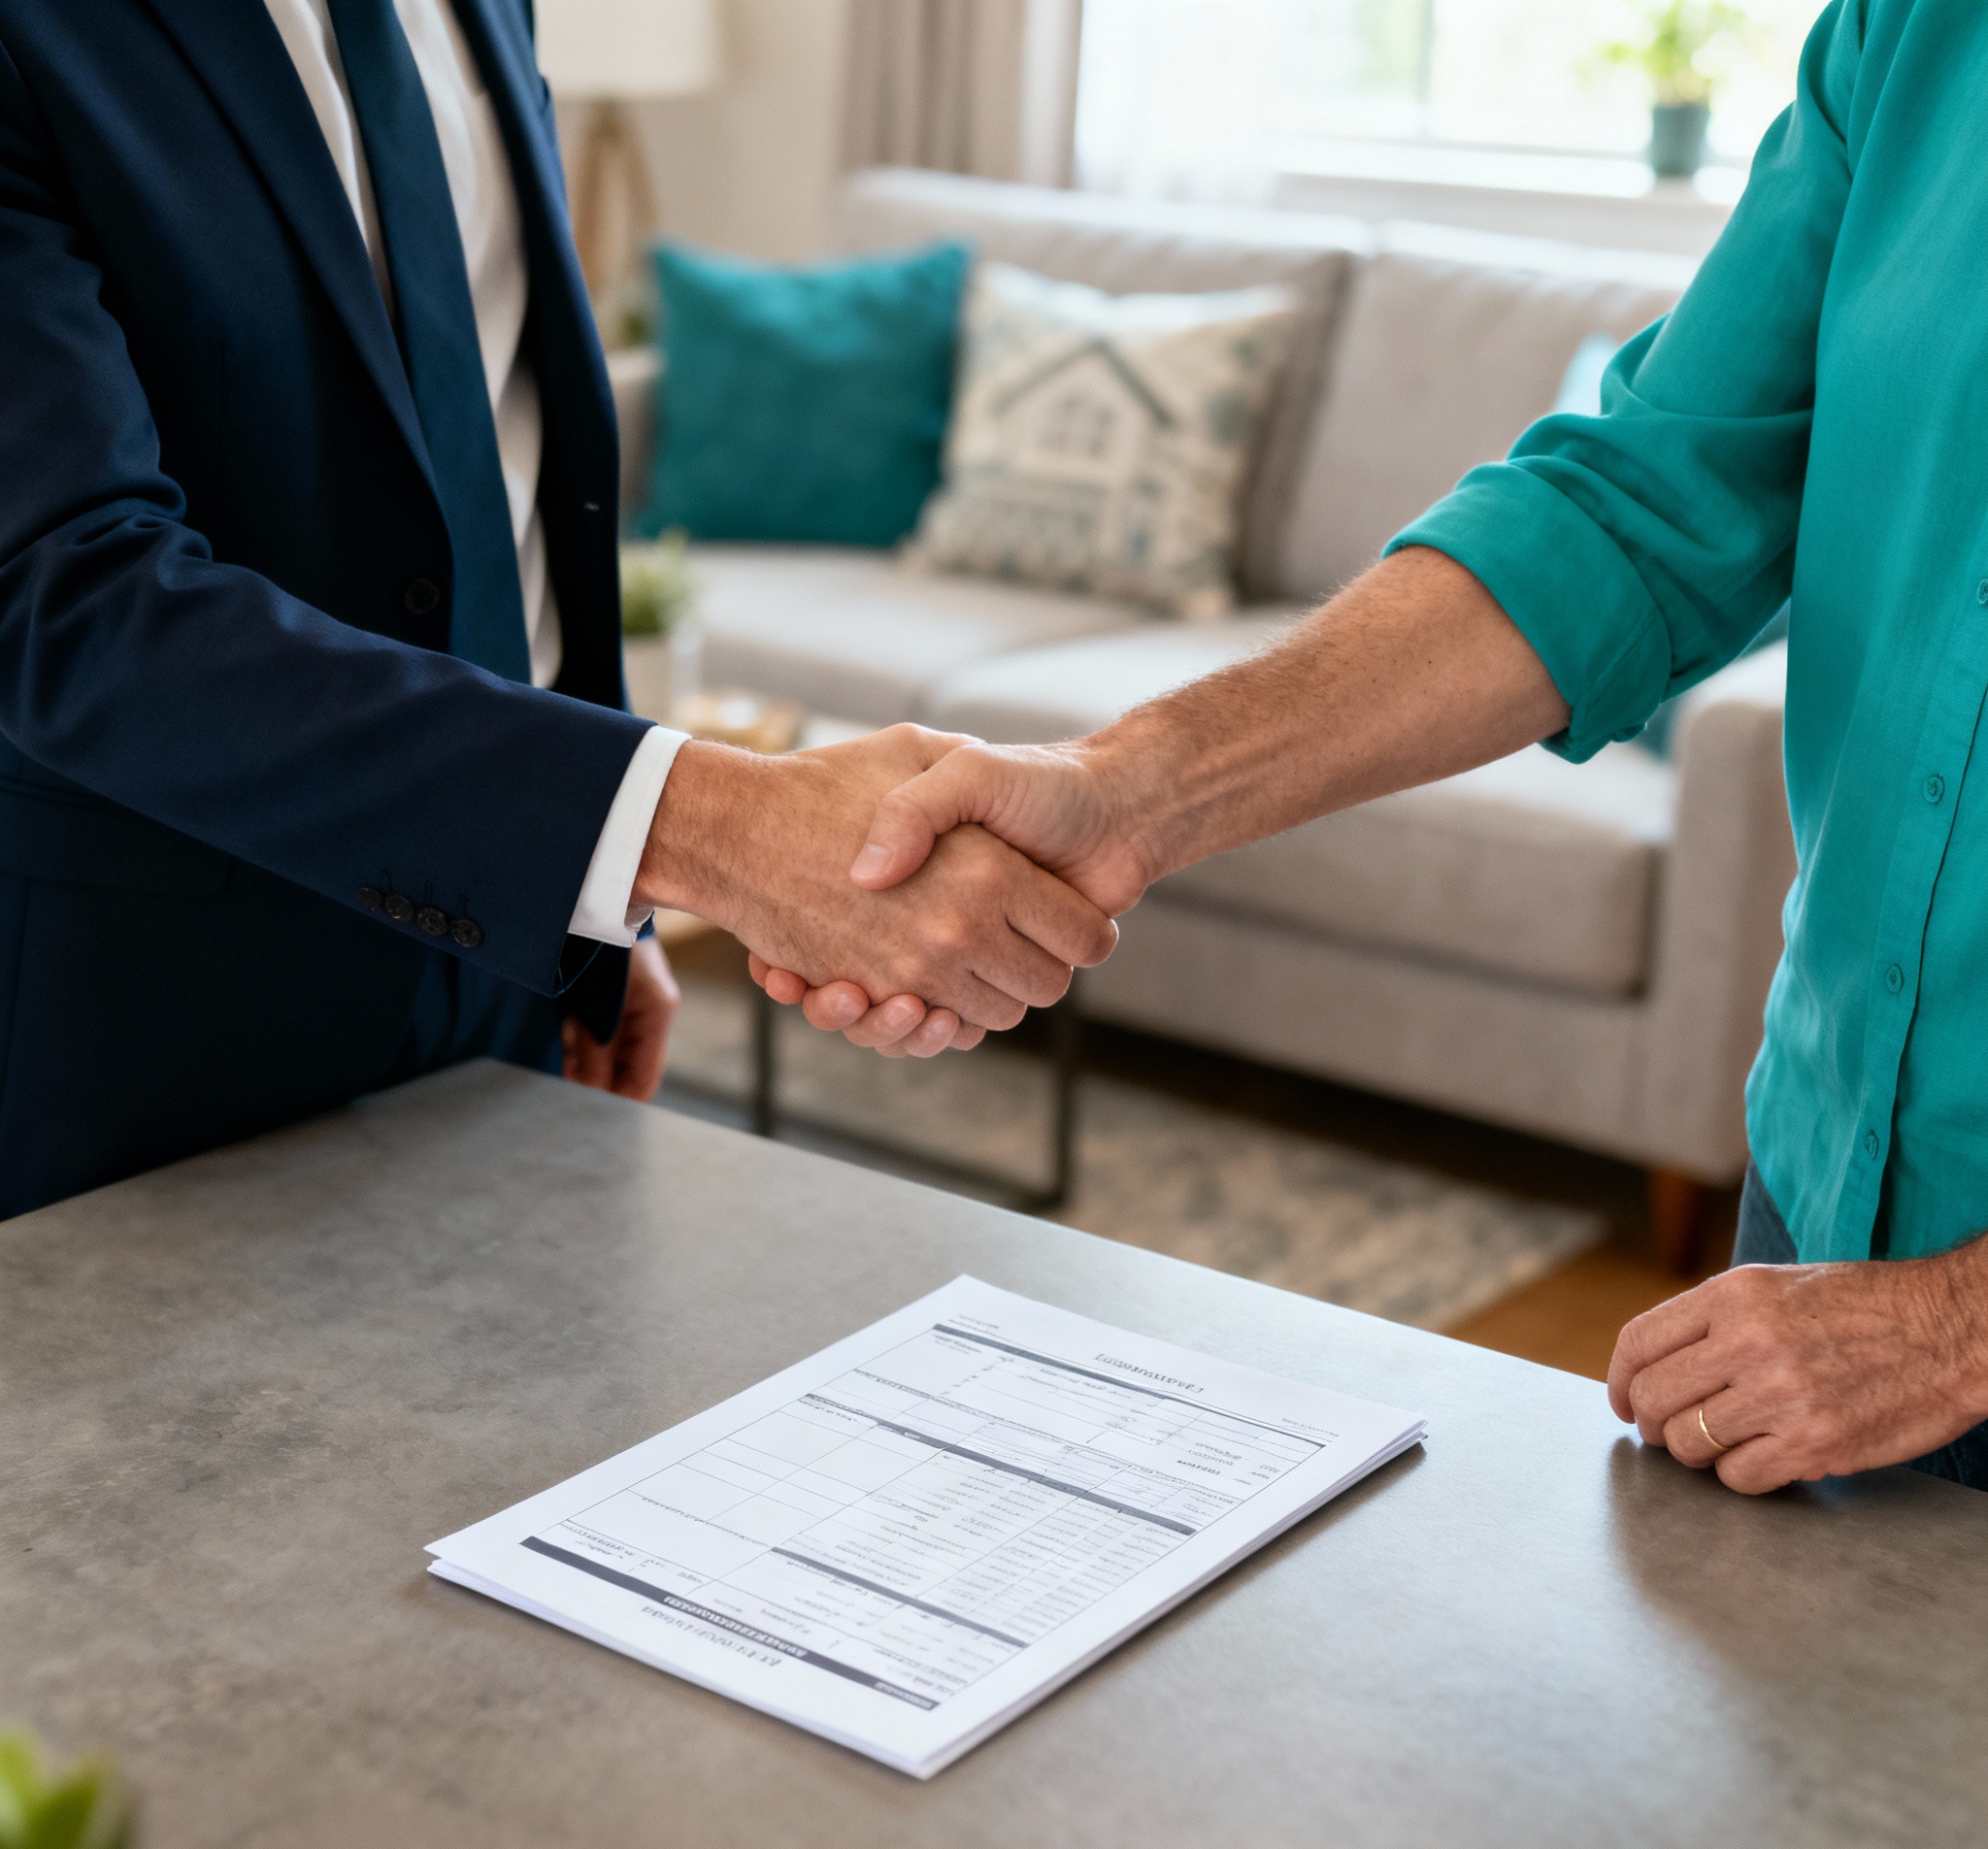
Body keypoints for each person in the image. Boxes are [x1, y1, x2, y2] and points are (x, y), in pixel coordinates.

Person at [755, 0, 1988, 1497]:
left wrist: (1955, 1323)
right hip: (1827, 1198)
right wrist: (1121, 790)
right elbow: (1638, 514)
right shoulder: (1914, 33)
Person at [0, 0, 1113, 1219]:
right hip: (148, 1032)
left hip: (508, 970)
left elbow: (514, 463)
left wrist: (587, 918)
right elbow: (63, 595)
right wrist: (690, 826)